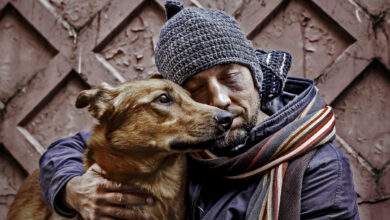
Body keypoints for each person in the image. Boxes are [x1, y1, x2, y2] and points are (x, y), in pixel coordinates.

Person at [39, 1, 359, 219]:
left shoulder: (316, 165)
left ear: (255, 78)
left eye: (230, 78)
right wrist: (71, 190)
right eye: (195, 90)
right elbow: (72, 146)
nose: (219, 101)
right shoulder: (186, 138)